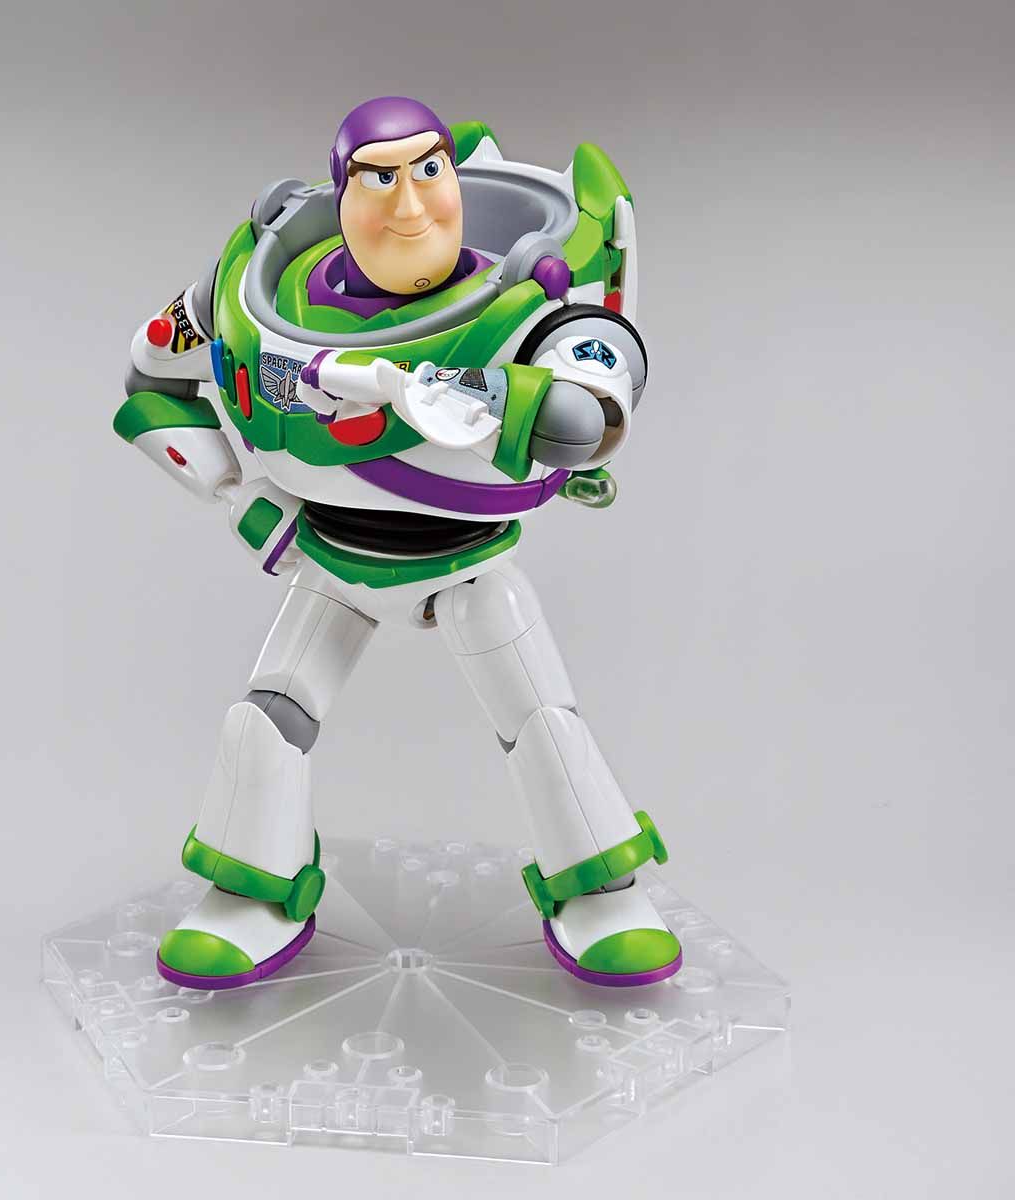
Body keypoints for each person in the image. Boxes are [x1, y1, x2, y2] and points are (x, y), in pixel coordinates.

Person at [114, 96, 680, 989]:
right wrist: (240, 497)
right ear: (339, 194)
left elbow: (594, 394)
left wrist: (498, 396)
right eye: (379, 179)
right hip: (330, 556)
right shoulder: (255, 293)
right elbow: (150, 382)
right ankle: (253, 891)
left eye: (429, 170)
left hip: (468, 561)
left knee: (540, 721)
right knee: (264, 722)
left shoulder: (527, 297)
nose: (410, 204)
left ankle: (599, 888)